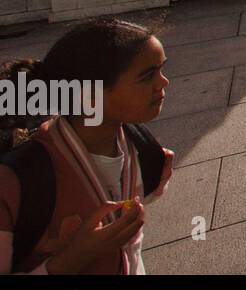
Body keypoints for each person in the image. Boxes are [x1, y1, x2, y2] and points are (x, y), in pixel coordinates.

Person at [0, 19, 173, 274]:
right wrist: (72, 259)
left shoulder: (143, 150)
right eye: (147, 76)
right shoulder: (16, 182)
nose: (164, 82)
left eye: (161, 70)